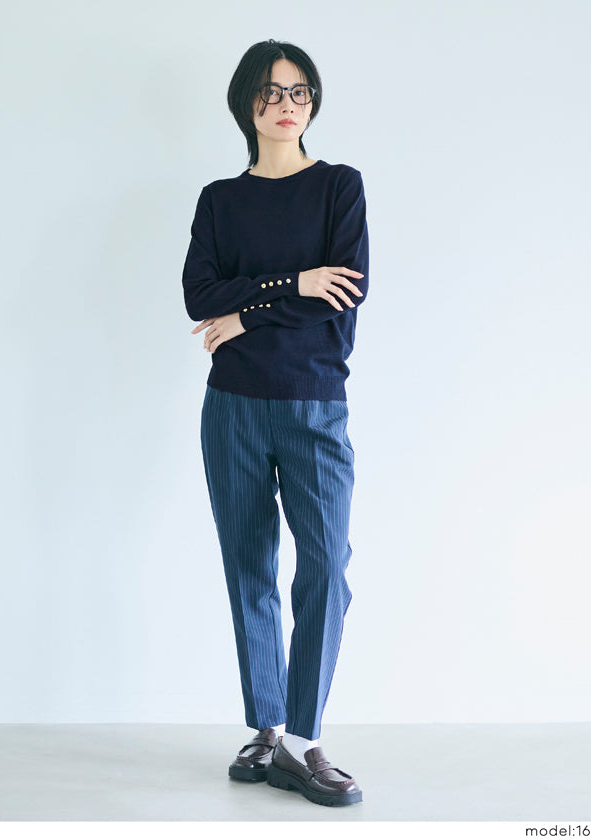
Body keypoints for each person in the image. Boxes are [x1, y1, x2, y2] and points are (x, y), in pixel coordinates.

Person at [181, 38, 369, 808]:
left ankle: (302, 740)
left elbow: (344, 292)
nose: (285, 104)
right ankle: (267, 726)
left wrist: (248, 311)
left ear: (312, 101)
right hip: (232, 405)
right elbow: (199, 298)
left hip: (314, 401)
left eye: (298, 91)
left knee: (324, 567)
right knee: (249, 566)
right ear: (246, 104)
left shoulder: (338, 187)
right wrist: (293, 283)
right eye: (269, 91)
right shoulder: (220, 200)